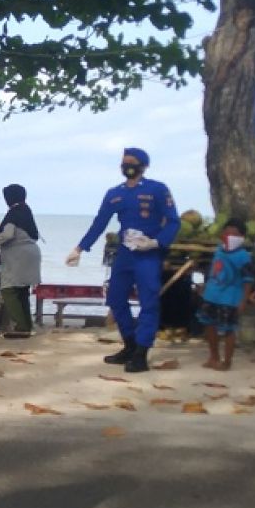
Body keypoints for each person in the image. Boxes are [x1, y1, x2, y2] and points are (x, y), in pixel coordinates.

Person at [67, 148, 179, 373]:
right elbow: (99, 223)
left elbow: (174, 222)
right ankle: (129, 344)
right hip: (125, 253)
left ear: (143, 166)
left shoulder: (157, 189)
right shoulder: (114, 193)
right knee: (116, 299)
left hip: (147, 253)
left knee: (148, 302)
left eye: (132, 162)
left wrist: (157, 242)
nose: (127, 165)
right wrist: (80, 248)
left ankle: (141, 353)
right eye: (124, 162)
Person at [197, 218, 255, 370]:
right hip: (211, 295)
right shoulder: (219, 249)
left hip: (230, 299)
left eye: (234, 234)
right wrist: (205, 287)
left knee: (229, 329)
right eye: (227, 232)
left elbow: (248, 279)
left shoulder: (243, 256)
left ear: (242, 237)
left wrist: (243, 300)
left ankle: (227, 361)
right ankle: (213, 357)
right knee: (209, 325)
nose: (229, 236)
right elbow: (214, 270)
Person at [0, 184, 42, 338]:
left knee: (8, 290)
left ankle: (21, 326)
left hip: (18, 255)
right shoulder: (27, 211)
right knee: (22, 291)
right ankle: (27, 325)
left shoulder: (13, 214)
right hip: (32, 253)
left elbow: (8, 234)